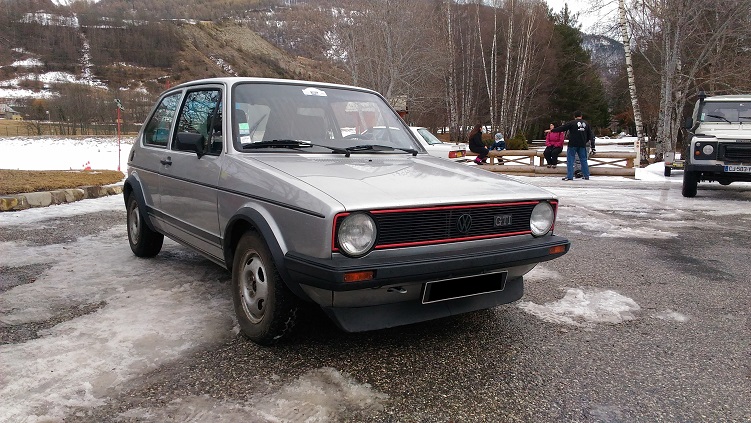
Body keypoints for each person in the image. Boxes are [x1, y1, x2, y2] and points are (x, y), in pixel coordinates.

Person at [546, 111, 595, 180]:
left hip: (573, 144)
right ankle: (586, 175)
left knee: (570, 160)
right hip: (582, 144)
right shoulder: (586, 123)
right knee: (583, 160)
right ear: (581, 116)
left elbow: (562, 128)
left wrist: (552, 130)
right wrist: (593, 146)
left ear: (574, 116)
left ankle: (569, 176)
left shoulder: (572, 123)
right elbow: (590, 135)